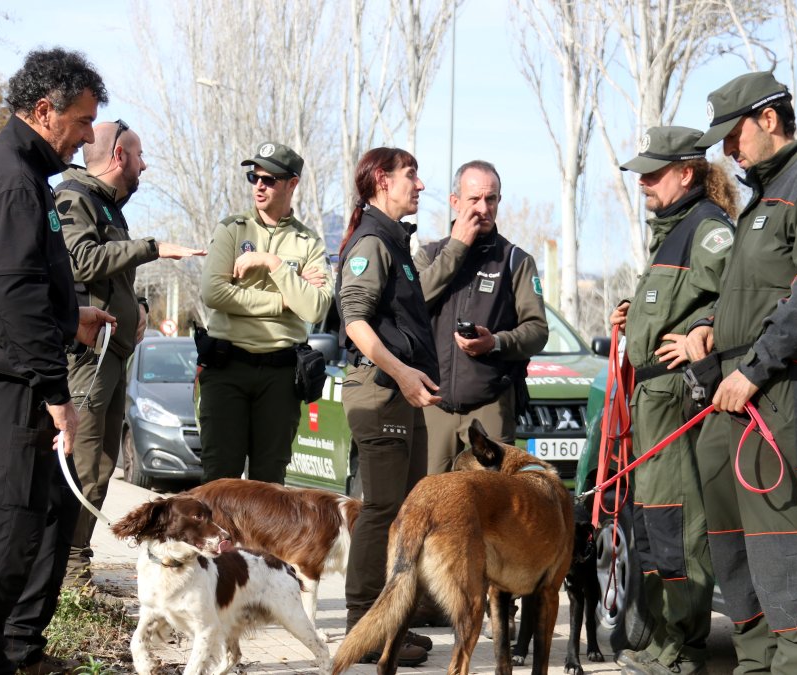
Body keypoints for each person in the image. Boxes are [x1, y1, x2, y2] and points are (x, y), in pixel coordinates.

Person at [0, 48, 116, 675]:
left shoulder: (0, 164)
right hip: (7, 365)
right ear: (45, 111)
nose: (88, 135)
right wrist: (55, 393)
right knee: (9, 518)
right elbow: (11, 291)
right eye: (81, 120)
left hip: (0, 351)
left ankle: (13, 649)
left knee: (34, 511)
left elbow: (11, 281)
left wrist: (72, 318)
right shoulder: (13, 175)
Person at [690, 71, 797, 674]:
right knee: (737, 550)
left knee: (786, 547)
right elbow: (757, 292)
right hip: (734, 396)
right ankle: (758, 665)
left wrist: (753, 369)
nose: (727, 151)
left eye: (732, 136)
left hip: (776, 393)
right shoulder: (762, 195)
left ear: (767, 118)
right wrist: (713, 325)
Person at [609, 127, 738, 675]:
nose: (642, 181)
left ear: (687, 173)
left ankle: (682, 649)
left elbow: (739, 295)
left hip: (678, 403)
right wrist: (631, 314)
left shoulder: (708, 229)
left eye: (653, 172)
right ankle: (662, 639)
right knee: (656, 526)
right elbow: (678, 300)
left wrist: (704, 330)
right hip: (651, 402)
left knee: (678, 527)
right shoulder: (675, 231)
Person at [56, 120, 206, 586]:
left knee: (102, 464)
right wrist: (153, 248)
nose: (144, 164)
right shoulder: (74, 197)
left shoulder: (106, 206)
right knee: (83, 461)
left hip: (113, 354)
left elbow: (110, 275)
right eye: (139, 155)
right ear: (119, 156)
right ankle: (64, 569)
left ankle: (76, 563)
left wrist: (137, 306)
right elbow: (81, 260)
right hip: (87, 358)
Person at [337, 147, 442, 666]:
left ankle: (391, 624)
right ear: (382, 180)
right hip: (380, 394)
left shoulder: (395, 241)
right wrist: (401, 375)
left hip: (400, 395)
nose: (419, 185)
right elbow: (355, 321)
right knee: (381, 511)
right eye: (410, 175)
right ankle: (363, 628)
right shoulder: (373, 240)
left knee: (406, 514)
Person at [197, 142, 333, 484]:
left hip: (280, 375)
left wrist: (271, 263)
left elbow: (316, 306)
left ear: (292, 183)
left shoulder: (309, 242)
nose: (259, 185)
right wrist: (285, 299)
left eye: (269, 179)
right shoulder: (232, 229)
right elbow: (214, 293)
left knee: (269, 486)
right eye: (253, 177)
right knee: (219, 482)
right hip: (227, 368)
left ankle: (255, 543)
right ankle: (219, 542)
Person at [414, 159, 548, 474]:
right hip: (434, 402)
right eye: (474, 199)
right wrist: (457, 248)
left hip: (491, 402)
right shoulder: (429, 256)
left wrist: (496, 342)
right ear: (455, 202)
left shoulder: (516, 261)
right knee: (431, 505)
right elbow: (412, 304)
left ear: (499, 201)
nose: (482, 208)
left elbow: (538, 330)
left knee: (495, 507)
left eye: (491, 199)